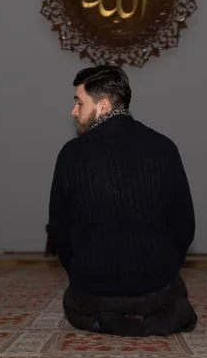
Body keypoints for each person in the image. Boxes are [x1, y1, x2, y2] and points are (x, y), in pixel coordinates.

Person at [47, 65, 197, 337]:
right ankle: (159, 317)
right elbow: (185, 225)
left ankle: (105, 320)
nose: (74, 111)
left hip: (94, 289)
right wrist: (163, 268)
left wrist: (82, 269)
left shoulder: (72, 154)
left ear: (102, 106)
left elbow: (59, 230)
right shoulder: (165, 148)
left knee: (74, 303)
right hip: (154, 287)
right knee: (171, 291)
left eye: (79, 102)